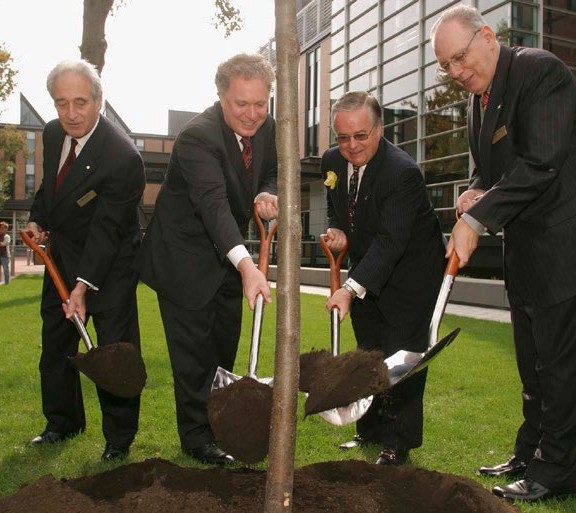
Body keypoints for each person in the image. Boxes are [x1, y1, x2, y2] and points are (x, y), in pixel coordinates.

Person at [431, 4, 576, 502]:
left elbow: (542, 163)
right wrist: (472, 193)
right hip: (524, 255)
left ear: (488, 36)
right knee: (531, 361)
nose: (456, 72)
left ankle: (557, 468)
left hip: (561, 248)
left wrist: (476, 218)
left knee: (559, 365)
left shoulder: (540, 72)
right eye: (446, 66)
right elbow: (487, 173)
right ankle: (530, 449)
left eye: (460, 57)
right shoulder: (479, 100)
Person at [135, 53, 278, 465]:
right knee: (194, 356)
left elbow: (269, 169)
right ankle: (197, 439)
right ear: (220, 96)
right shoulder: (198, 136)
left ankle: (217, 423)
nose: (252, 114)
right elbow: (213, 204)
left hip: (224, 257)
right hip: (183, 257)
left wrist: (266, 192)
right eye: (241, 104)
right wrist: (247, 265)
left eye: (260, 104)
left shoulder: (266, 128)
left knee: (222, 347)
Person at [25, 59, 145, 461]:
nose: (71, 114)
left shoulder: (122, 157)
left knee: (114, 352)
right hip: (62, 258)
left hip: (110, 267)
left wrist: (81, 286)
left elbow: (107, 230)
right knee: (55, 347)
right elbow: (51, 188)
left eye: (80, 102)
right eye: (62, 103)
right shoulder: (53, 132)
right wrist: (38, 220)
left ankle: (118, 438)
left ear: (99, 100)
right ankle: (63, 422)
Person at [323, 91, 445, 466]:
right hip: (366, 267)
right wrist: (338, 230)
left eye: (361, 135)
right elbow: (339, 211)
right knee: (369, 352)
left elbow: (392, 242)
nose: (352, 146)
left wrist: (348, 288)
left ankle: (398, 443)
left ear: (379, 129)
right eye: (343, 137)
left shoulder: (401, 172)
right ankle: (369, 430)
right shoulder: (332, 162)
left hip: (411, 274)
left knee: (400, 357)